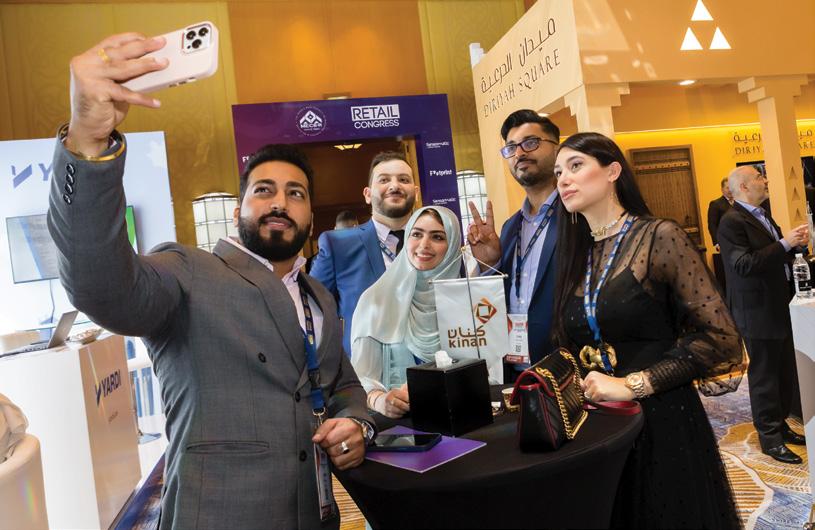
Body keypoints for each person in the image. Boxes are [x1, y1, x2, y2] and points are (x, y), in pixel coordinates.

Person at [47, 33, 374, 529]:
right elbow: (102, 288)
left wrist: (356, 422)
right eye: (263, 190)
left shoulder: (319, 298)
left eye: (296, 193)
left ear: (311, 218)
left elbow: (343, 385)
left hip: (312, 514)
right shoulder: (187, 272)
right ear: (239, 209)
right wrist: (88, 142)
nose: (279, 202)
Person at [551, 132, 742, 528]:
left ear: (612, 172)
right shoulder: (576, 253)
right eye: (558, 173)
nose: (563, 179)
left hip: (662, 418)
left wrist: (634, 384)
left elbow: (722, 338)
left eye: (575, 166)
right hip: (600, 425)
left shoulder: (659, 236)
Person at [717, 164, 809, 464]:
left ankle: (780, 425)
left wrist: (795, 248)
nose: (766, 180)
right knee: (765, 376)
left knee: (783, 371)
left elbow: (775, 257)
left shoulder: (762, 214)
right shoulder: (731, 221)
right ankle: (770, 438)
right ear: (743, 186)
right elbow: (743, 265)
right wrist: (785, 243)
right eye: (759, 177)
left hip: (778, 305)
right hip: (756, 311)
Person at [468, 109, 561, 379]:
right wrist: (490, 263)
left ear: (557, 150)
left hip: (566, 369)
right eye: (511, 148)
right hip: (516, 374)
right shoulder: (510, 227)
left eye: (530, 142)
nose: (519, 153)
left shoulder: (577, 216)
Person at [350, 206, 461, 418]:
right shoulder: (376, 301)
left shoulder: (467, 302)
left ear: (453, 245)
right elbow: (357, 379)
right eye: (416, 234)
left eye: (437, 237)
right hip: (399, 428)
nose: (424, 245)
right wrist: (379, 400)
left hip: (464, 424)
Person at [311, 151, 418, 355]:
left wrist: (482, 258)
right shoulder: (338, 246)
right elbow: (313, 311)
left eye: (403, 180)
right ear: (368, 194)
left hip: (430, 365)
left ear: (416, 192)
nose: (394, 186)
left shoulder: (435, 243)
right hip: (364, 369)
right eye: (384, 180)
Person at [707, 176, 733, 251]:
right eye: (727, 188)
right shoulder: (716, 204)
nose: (730, 190)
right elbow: (712, 225)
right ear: (722, 189)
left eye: (731, 187)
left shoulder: (739, 202)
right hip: (725, 241)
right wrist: (717, 243)